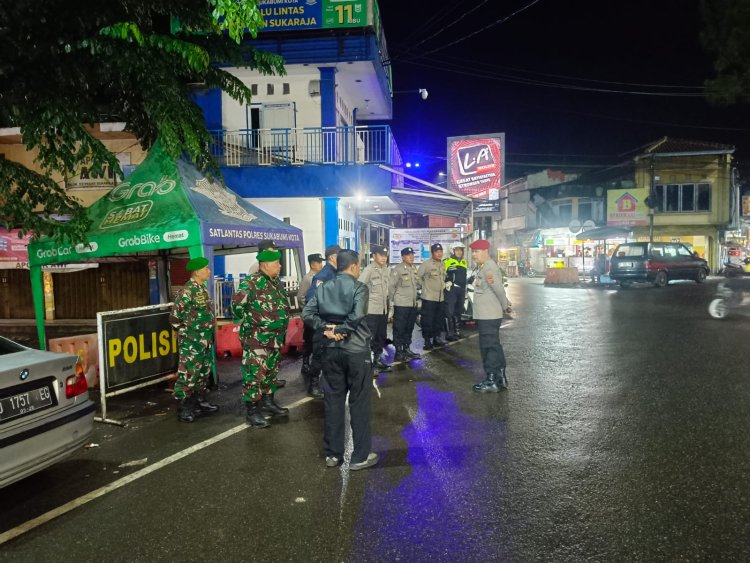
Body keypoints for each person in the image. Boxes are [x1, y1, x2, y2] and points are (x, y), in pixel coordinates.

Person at [302, 249, 378, 471]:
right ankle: (359, 456)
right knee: (359, 402)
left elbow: (306, 313)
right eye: (359, 265)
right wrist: (341, 330)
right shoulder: (359, 288)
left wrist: (327, 330)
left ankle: (333, 454)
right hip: (355, 352)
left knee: (333, 401)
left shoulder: (324, 287)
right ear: (354, 266)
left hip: (331, 351)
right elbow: (356, 318)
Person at [232, 247, 291, 427]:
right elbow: (237, 307)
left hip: (275, 339)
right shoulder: (250, 284)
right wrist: (252, 323)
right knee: (254, 375)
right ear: (265, 265)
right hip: (257, 339)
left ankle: (268, 402)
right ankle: (253, 411)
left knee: (270, 373)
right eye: (276, 263)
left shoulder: (276, 283)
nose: (280, 266)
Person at [170, 257, 219, 423]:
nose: (209, 271)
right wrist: (187, 334)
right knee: (189, 374)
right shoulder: (187, 291)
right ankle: (183, 407)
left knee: (203, 372)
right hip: (192, 342)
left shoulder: (202, 289)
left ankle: (199, 401)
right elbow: (175, 317)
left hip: (204, 340)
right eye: (206, 268)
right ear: (197, 271)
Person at [468, 239, 512, 393]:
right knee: (494, 345)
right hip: (488, 314)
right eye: (473, 252)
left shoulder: (489, 269)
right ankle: (501, 377)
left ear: (485, 251)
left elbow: (499, 290)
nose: (474, 255)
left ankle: (492, 380)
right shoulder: (484, 267)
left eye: (476, 251)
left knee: (488, 347)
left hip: (488, 315)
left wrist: (505, 306)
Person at [247, 239, 287, 388]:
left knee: (270, 366)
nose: (275, 253)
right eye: (272, 250)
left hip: (274, 333)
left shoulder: (274, 278)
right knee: (256, 370)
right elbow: (242, 305)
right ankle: (255, 402)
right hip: (259, 333)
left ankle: (268, 393)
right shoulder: (255, 272)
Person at [303, 244, 341, 399]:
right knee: (319, 355)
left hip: (333, 321)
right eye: (340, 256)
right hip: (324, 323)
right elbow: (312, 298)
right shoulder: (324, 275)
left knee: (331, 355)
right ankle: (313, 384)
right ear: (332, 257)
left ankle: (328, 382)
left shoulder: (336, 273)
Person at [359, 244, 392, 373]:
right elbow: (360, 286)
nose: (384, 258)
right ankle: (368, 366)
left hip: (383, 310)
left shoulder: (387, 270)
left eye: (385, 255)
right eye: (381, 255)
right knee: (370, 338)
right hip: (371, 311)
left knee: (381, 336)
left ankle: (377, 361)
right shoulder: (369, 270)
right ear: (374, 256)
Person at [389, 247, 421, 362]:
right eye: (408, 255)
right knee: (399, 328)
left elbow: (417, 285)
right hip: (401, 305)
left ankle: (406, 348)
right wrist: (393, 302)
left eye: (412, 254)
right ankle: (398, 352)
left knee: (409, 328)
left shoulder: (413, 269)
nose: (411, 257)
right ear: (403, 257)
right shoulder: (397, 270)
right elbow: (391, 287)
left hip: (412, 304)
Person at [297, 253, 324, 386]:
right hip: (310, 317)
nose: (321, 264)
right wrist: (308, 311)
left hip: (318, 316)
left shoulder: (320, 277)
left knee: (316, 341)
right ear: (312, 264)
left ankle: (313, 363)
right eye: (318, 262)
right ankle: (305, 363)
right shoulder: (308, 278)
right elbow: (301, 296)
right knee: (308, 340)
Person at [417, 243, 446, 350]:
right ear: (432, 253)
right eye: (437, 252)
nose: (439, 254)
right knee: (427, 321)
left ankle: (436, 338)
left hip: (440, 298)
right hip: (429, 298)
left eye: (441, 251)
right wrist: (423, 286)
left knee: (438, 320)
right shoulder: (426, 264)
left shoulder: (442, 264)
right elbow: (417, 276)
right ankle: (427, 341)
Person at [444, 241, 468, 341]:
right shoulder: (447, 261)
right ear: (452, 251)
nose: (459, 252)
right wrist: (446, 282)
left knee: (458, 311)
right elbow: (442, 275)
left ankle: (457, 332)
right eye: (457, 250)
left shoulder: (464, 262)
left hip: (461, 290)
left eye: (461, 250)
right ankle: (449, 334)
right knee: (450, 311)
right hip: (451, 289)